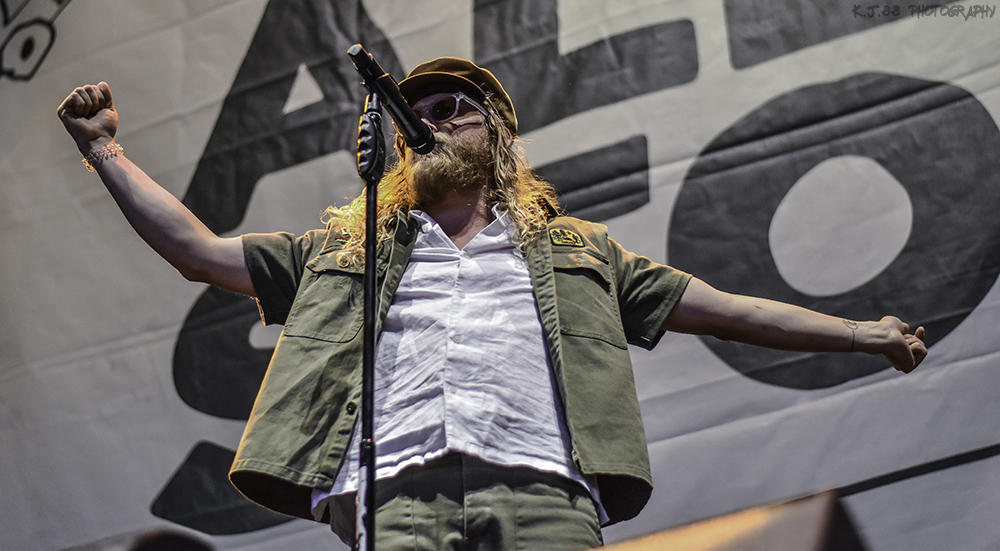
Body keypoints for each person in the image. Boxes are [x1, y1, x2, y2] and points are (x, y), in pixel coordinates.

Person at [58, 57, 927, 551]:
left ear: (496, 132)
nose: (431, 121)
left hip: (544, 491)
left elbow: (726, 308)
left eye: (453, 109)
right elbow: (198, 253)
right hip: (395, 496)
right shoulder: (344, 247)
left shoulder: (577, 250)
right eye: (418, 115)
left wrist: (862, 331)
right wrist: (107, 154)